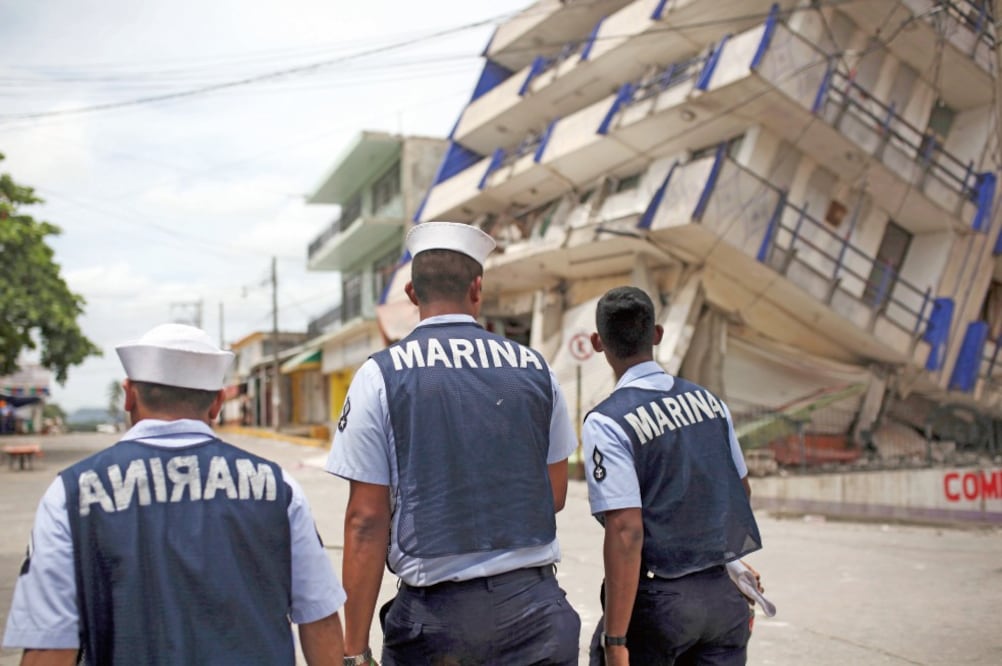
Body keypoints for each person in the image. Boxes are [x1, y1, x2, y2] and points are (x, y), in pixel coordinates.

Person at [2, 323, 347, 666]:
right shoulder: (278, 487)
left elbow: (51, 647)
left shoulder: (71, 494)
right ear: (217, 403)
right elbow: (319, 618)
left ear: (129, 394)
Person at [327, 221, 582, 665]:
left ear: (411, 293)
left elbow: (366, 522)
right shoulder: (535, 368)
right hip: (538, 614)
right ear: (477, 288)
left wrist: (354, 650)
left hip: (438, 627)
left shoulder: (381, 375)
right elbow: (553, 495)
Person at [582, 286, 763, 666]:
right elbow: (738, 491)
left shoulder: (608, 421)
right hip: (722, 600)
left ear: (598, 342)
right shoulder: (710, 403)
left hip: (660, 605)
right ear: (657, 334)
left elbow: (626, 532)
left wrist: (615, 641)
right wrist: (729, 562)